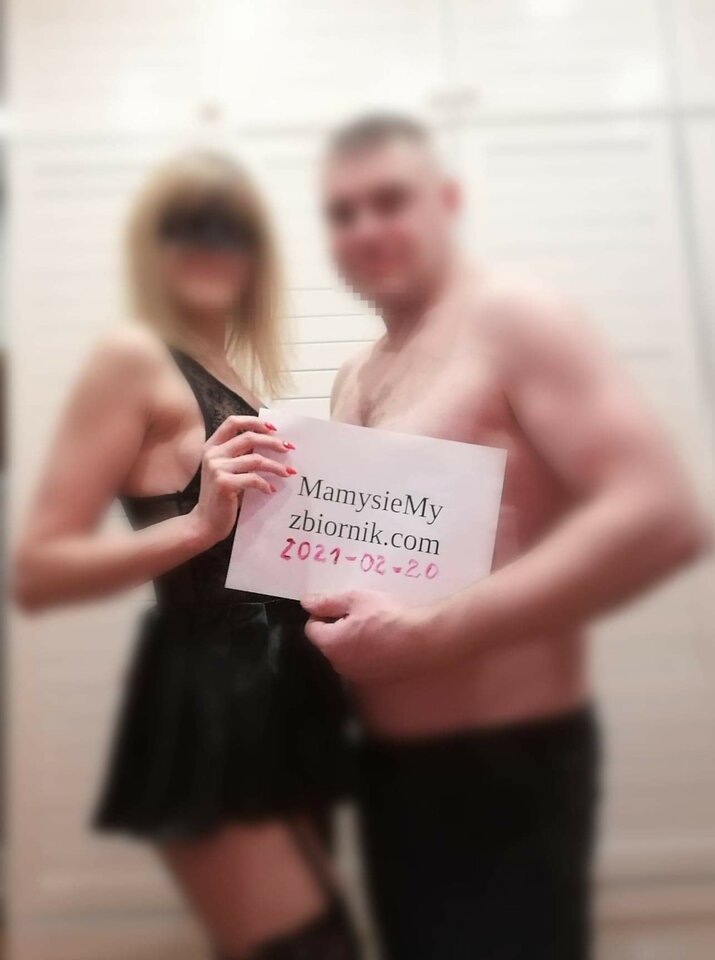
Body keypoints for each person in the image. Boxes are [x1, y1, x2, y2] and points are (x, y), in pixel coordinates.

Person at [301, 115, 711, 960]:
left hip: (504, 768)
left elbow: (661, 514)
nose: (365, 228)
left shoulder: (512, 317)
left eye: (389, 200)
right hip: (389, 772)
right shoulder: (354, 372)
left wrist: (431, 635)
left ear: (447, 202)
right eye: (342, 212)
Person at [14, 152, 360, 960]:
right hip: (212, 698)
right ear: (153, 247)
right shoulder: (131, 357)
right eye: (186, 225)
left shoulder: (226, 366)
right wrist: (201, 526)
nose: (210, 245)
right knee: (308, 948)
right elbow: (38, 570)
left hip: (282, 689)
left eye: (231, 228)